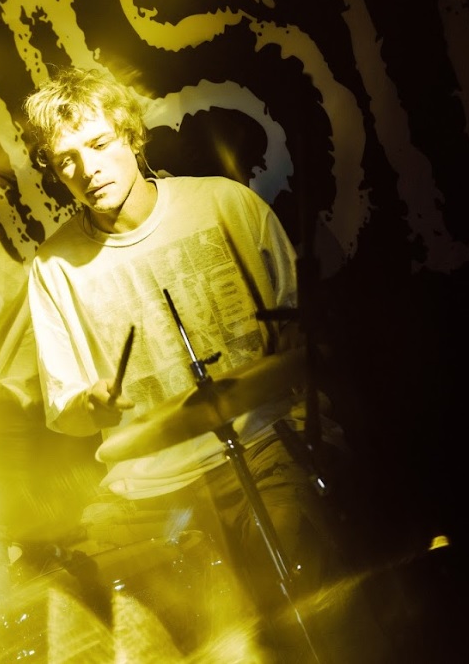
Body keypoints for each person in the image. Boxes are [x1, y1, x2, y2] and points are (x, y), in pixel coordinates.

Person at [21, 67, 336, 655]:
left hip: (264, 444)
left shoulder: (223, 203)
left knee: (304, 586)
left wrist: (303, 337)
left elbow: (305, 336)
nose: (87, 170)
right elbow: (67, 413)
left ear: (130, 135)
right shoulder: (52, 267)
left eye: (98, 144)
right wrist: (92, 404)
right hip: (148, 487)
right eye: (66, 160)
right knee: (84, 609)